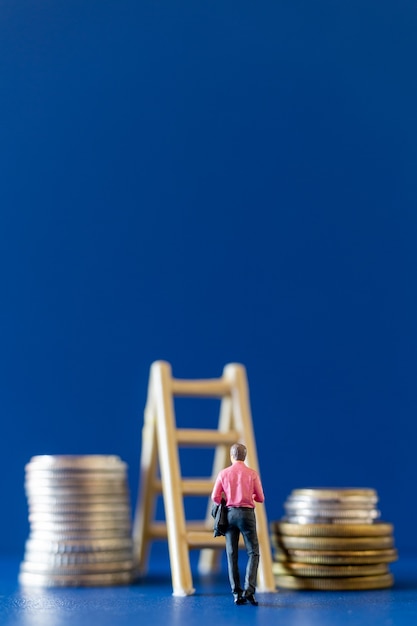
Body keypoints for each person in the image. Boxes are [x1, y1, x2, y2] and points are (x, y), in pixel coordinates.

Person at [211, 443, 265, 606]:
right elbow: (261, 498)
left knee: (231, 555)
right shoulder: (252, 474)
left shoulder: (223, 473)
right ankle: (249, 590)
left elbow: (215, 497)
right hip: (247, 514)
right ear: (245, 456)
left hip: (229, 514)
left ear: (231, 456)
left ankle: (236, 593)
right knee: (253, 553)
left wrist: (227, 497)